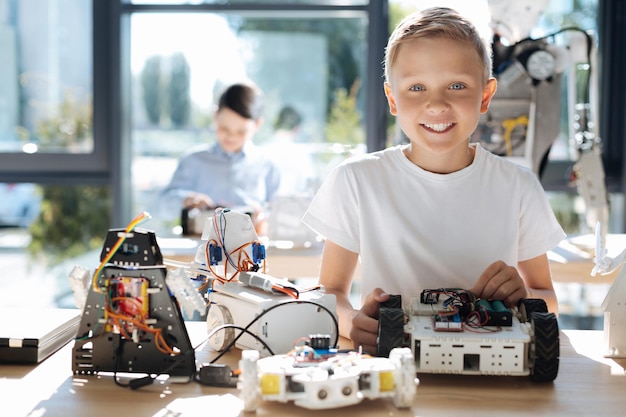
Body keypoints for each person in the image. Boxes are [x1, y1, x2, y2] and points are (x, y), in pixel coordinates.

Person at [301, 7, 566, 354]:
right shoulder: (355, 181)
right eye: (416, 87)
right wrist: (353, 322)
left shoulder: (519, 186)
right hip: (391, 369)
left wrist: (523, 297)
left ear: (485, 95)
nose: (436, 104)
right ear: (393, 99)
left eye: (457, 85)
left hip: (490, 377)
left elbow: (549, 301)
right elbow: (329, 291)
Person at [159, 82, 281, 234]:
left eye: (241, 131)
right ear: (215, 116)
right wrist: (187, 200)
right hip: (202, 250)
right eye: (224, 128)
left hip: (250, 251)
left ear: (257, 124)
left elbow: (280, 215)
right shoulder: (193, 161)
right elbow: (163, 206)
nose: (231, 136)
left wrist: (264, 218)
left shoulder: (267, 166)